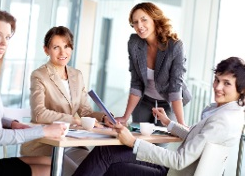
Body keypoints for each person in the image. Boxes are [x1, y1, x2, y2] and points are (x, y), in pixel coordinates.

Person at [73, 56, 245, 176]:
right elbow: (197, 140)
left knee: (108, 160)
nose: (217, 87)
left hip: (175, 171)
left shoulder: (223, 120)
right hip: (175, 171)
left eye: (226, 83)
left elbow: (179, 160)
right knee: (108, 152)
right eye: (217, 80)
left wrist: (132, 141)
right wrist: (169, 123)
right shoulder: (227, 112)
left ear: (242, 90)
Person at [0, 8, 67, 176]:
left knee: (48, 162)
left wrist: (11, 123)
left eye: (7, 37)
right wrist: (45, 131)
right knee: (51, 169)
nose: (4, 43)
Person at [20, 26, 106, 176]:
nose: (62, 52)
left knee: (99, 168)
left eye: (66, 46)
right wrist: (74, 120)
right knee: (82, 173)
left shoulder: (77, 75)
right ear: (46, 50)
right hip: (46, 145)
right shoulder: (39, 75)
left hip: (71, 143)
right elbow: (39, 114)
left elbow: (85, 111)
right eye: (56, 47)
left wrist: (104, 118)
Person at [113, 2, 191, 127]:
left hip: (168, 101)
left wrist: (181, 124)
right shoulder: (134, 43)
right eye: (135, 22)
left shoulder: (175, 46)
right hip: (144, 98)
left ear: (155, 20)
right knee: (137, 139)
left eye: (144, 20)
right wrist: (125, 117)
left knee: (160, 142)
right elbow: (136, 82)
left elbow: (175, 86)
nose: (140, 26)